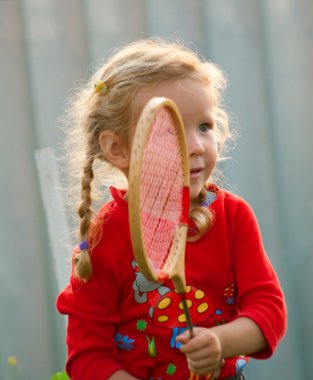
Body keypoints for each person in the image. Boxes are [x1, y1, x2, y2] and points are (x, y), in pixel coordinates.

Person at [56, 38, 287, 380]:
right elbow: (88, 357)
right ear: (117, 148)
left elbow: (268, 312)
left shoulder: (232, 218)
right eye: (171, 131)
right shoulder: (105, 238)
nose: (195, 146)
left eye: (204, 127)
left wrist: (220, 341)